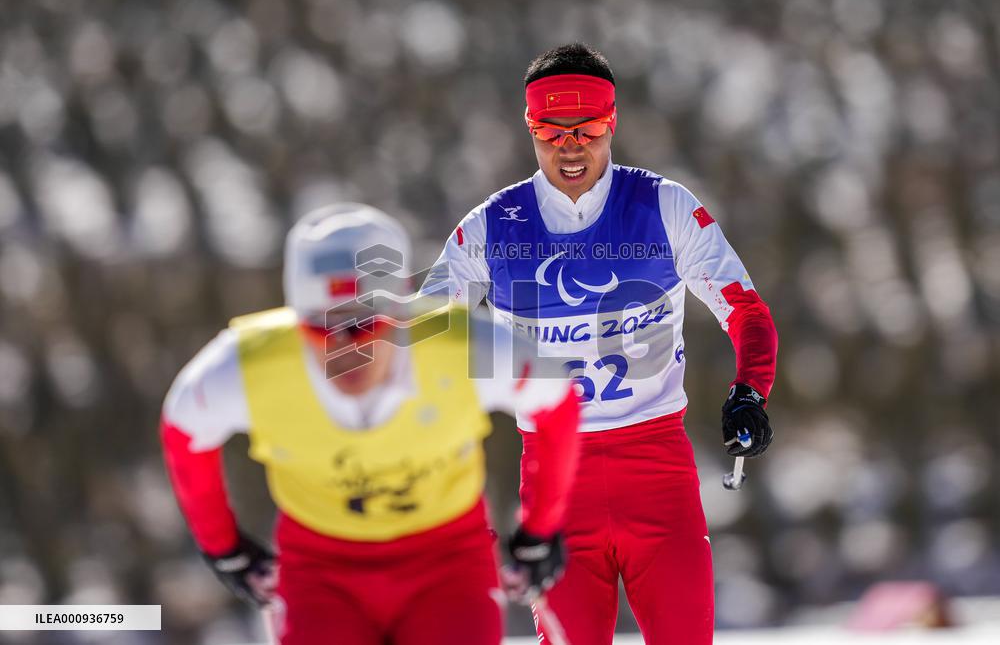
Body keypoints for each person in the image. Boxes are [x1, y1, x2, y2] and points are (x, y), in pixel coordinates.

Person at [423, 43, 779, 644]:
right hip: (555, 488)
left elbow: (747, 311)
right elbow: (427, 341)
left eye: (586, 129)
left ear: (610, 124)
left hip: (657, 473)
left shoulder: (663, 206)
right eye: (549, 130)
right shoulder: (491, 224)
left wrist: (750, 391)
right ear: (529, 128)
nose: (569, 146)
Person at [160, 203, 581, 645]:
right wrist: (222, 546)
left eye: (364, 327)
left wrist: (541, 526)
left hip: (448, 564)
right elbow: (183, 429)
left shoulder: (462, 345)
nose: (346, 351)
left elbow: (556, 402)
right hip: (321, 574)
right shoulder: (249, 364)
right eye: (321, 329)